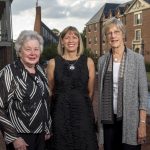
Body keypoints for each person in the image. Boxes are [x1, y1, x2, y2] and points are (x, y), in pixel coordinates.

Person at [97, 17, 148, 150]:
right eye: (109, 33)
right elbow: (101, 96)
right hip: (108, 121)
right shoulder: (102, 61)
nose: (113, 36)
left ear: (123, 34)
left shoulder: (137, 59)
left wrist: (142, 123)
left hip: (130, 121)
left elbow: (143, 95)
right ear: (106, 37)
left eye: (116, 32)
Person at [47, 26, 98, 150]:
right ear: (62, 41)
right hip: (60, 114)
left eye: (74, 37)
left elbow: (90, 92)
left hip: (83, 114)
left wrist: (80, 104)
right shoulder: (53, 63)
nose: (71, 40)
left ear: (79, 41)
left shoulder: (89, 62)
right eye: (67, 37)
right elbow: (50, 92)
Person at [0, 30, 51, 150]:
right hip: (21, 138)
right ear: (19, 51)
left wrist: (47, 127)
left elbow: (44, 102)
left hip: (41, 135)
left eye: (36, 49)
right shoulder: (10, 72)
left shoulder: (40, 71)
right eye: (28, 49)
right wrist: (14, 137)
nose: (33, 53)